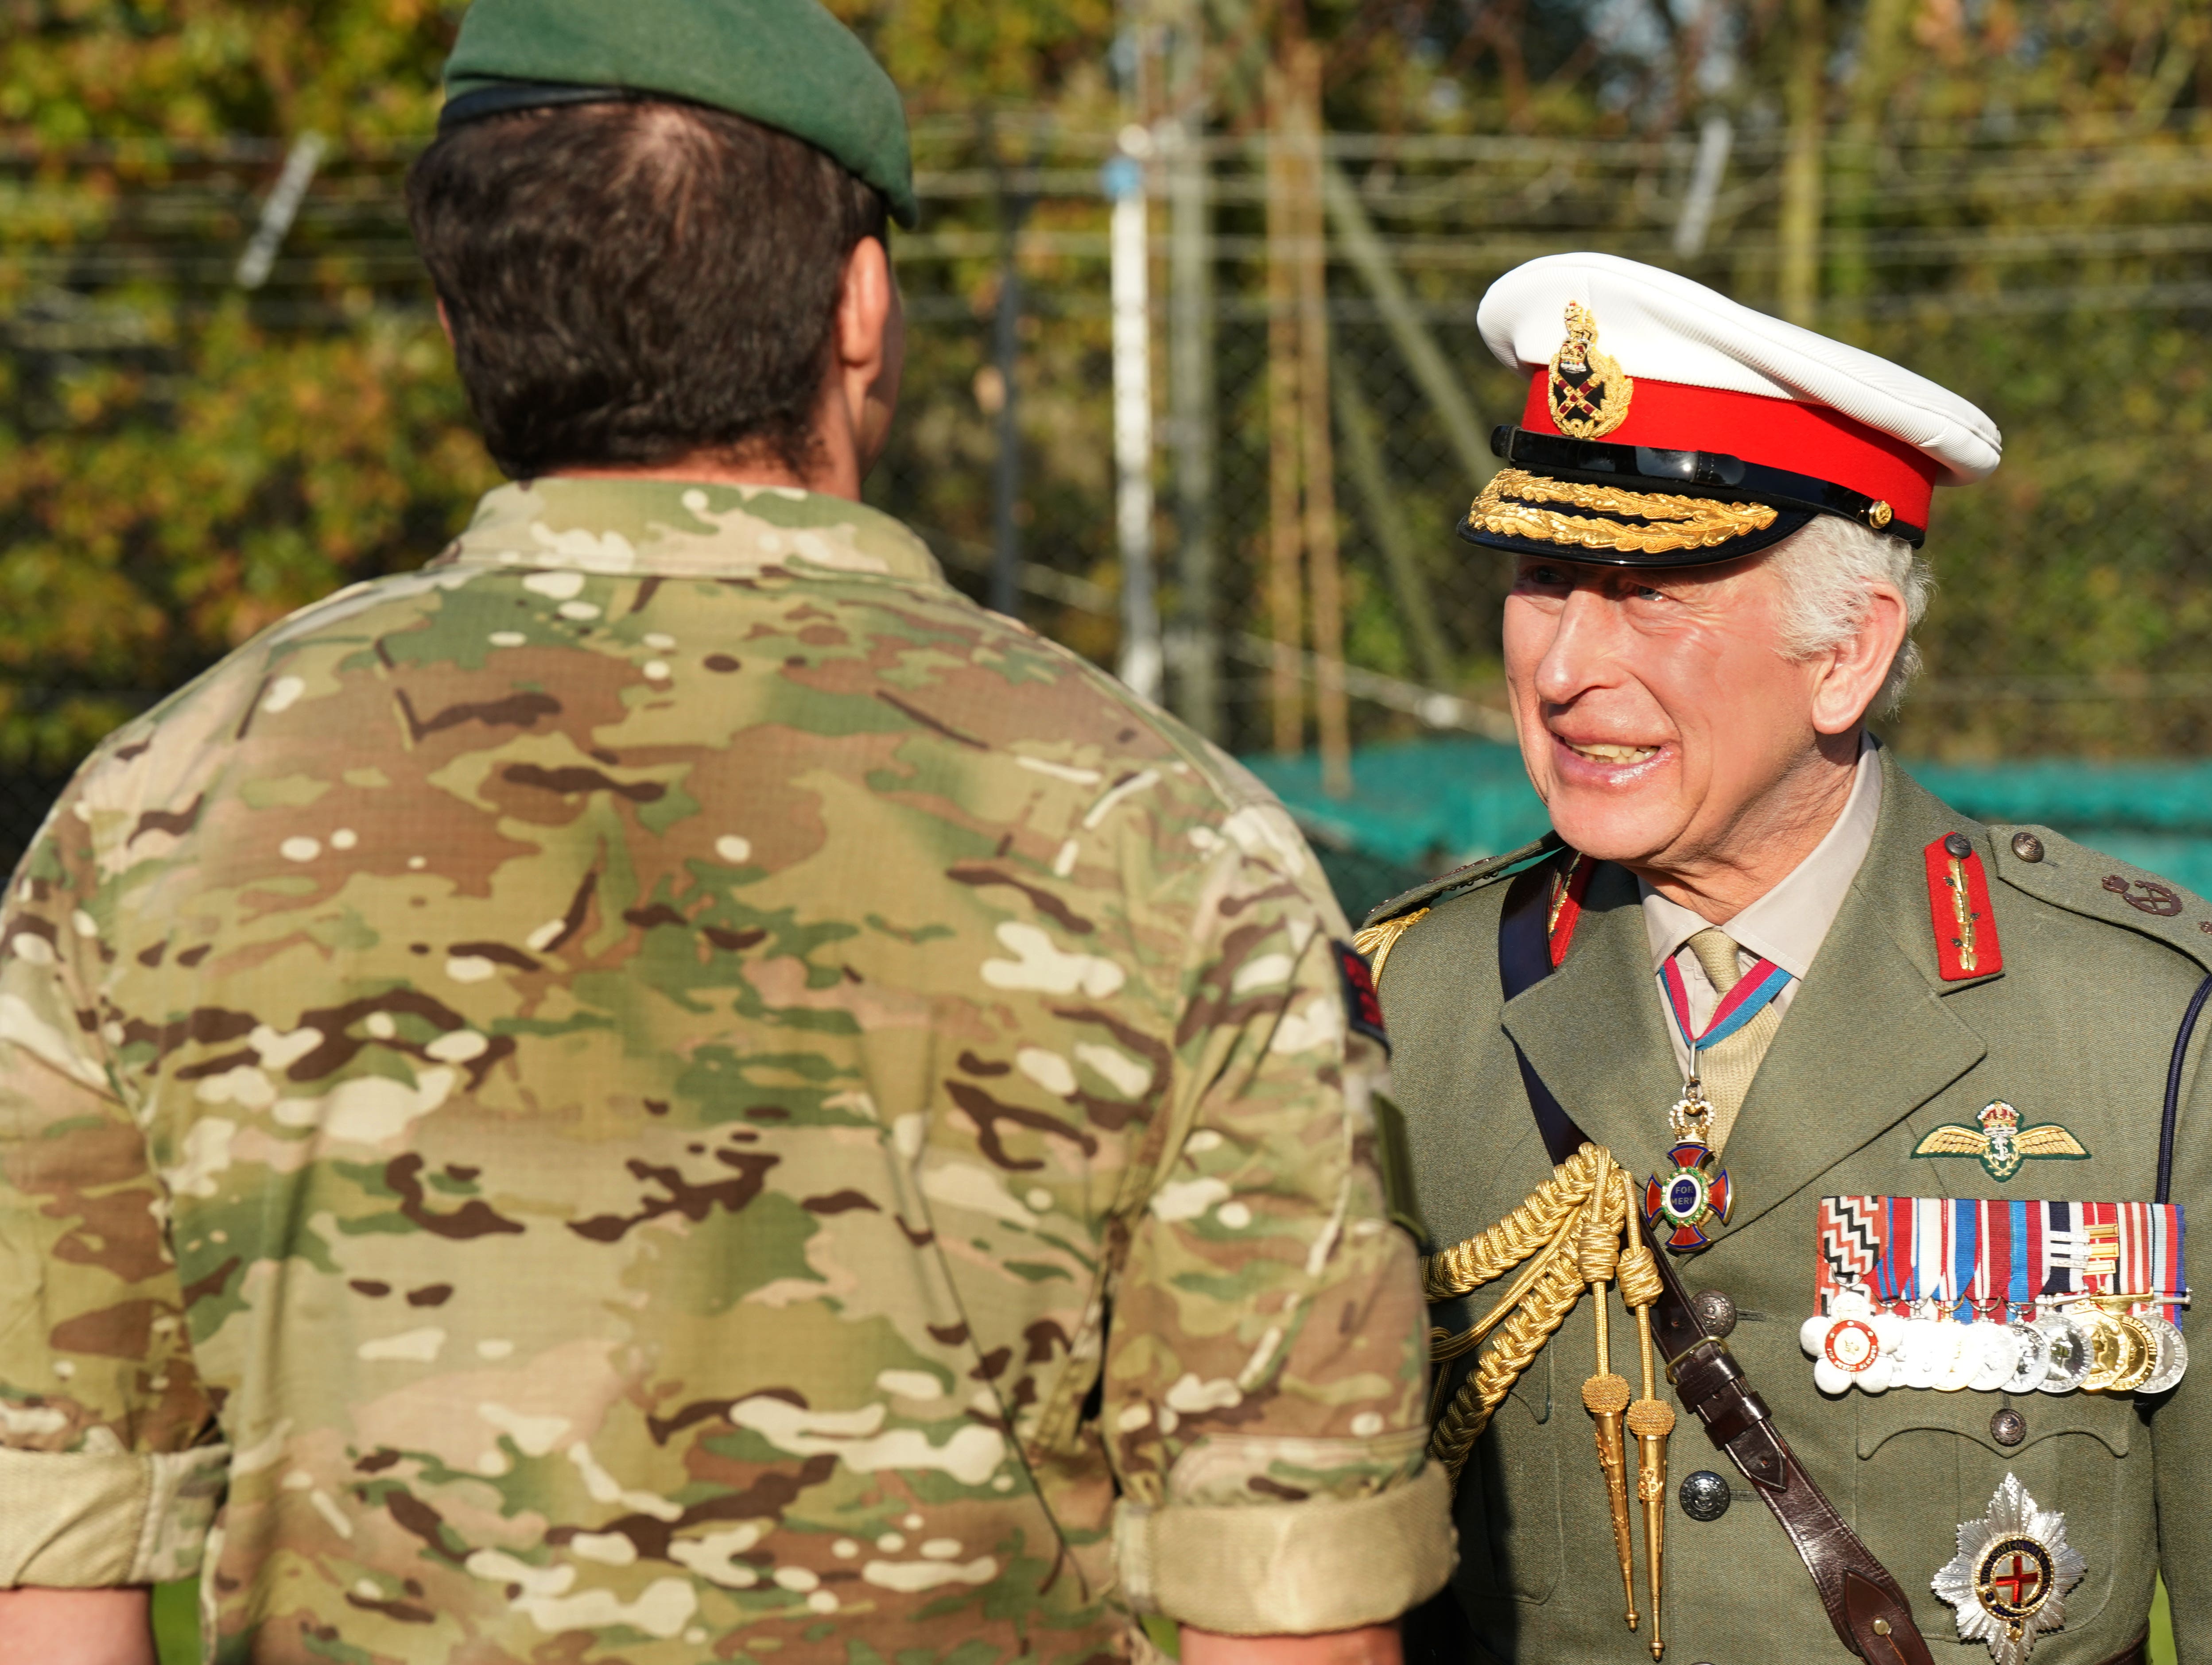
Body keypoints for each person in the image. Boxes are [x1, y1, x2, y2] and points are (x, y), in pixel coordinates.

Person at [0, 4, 1453, 1660]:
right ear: (861, 306)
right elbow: (1288, 1603)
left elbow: (54, 1557)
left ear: (469, 311)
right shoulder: (1167, 845)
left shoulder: (151, 821)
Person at [1362, 253, 2212, 1665]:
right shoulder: (1408, 1006)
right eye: (1546, 580)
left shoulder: (2156, 1029)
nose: (1563, 666)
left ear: (1848, 653)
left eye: (1653, 593)